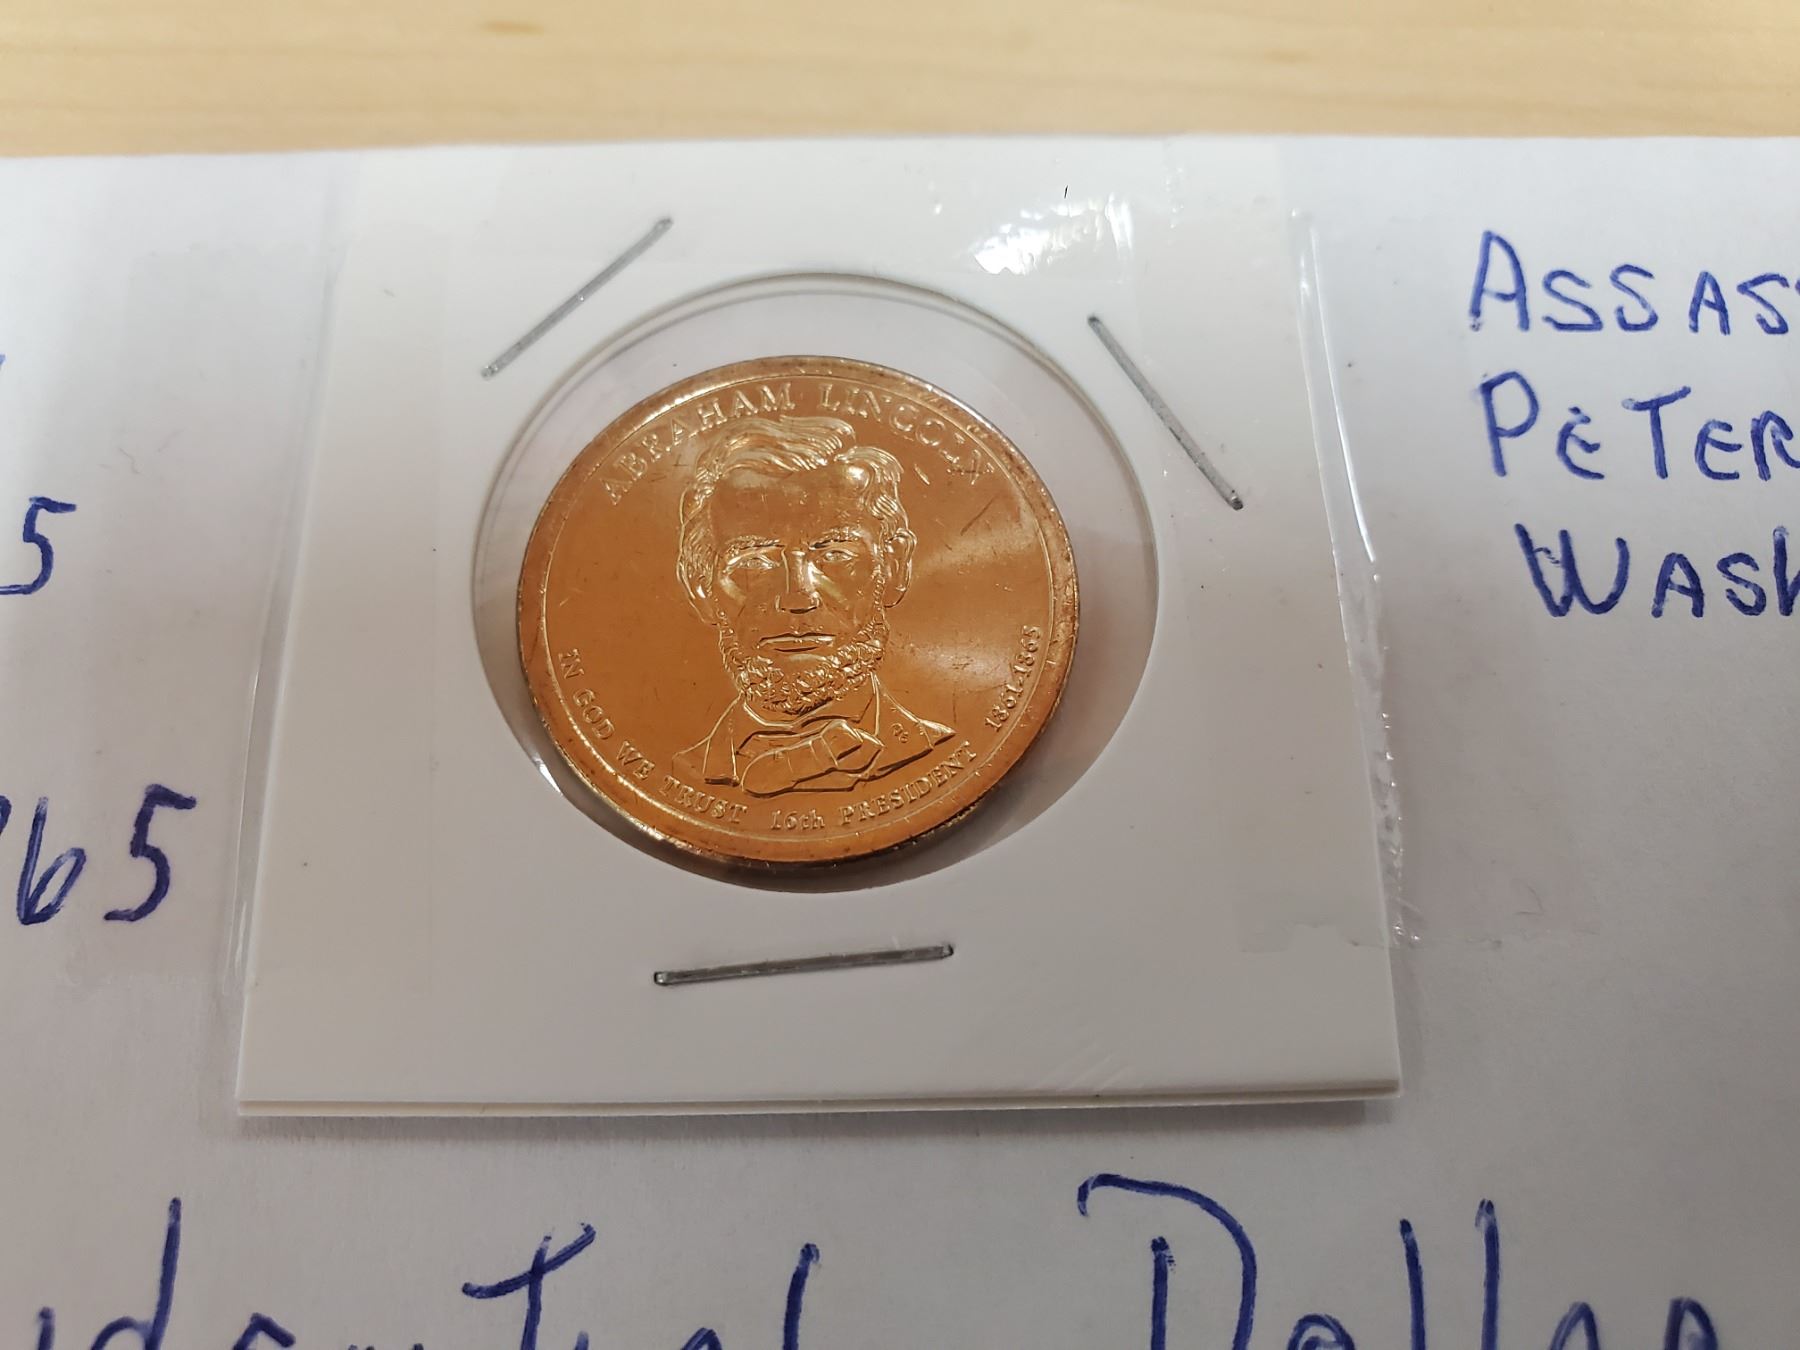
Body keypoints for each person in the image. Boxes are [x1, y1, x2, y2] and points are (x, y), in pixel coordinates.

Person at [673, 414, 954, 796]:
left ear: (894, 568)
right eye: (754, 561)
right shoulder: (683, 768)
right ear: (700, 588)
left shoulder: (937, 746)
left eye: (836, 555)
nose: (799, 598)